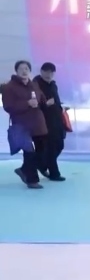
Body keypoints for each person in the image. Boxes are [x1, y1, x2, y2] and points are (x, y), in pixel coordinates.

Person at [2, 60, 48, 189]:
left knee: (42, 149)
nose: (24, 71)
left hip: (37, 122)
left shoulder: (34, 85)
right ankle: (32, 180)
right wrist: (27, 103)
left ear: (30, 71)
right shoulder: (9, 87)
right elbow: (8, 106)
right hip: (21, 123)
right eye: (21, 69)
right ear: (16, 71)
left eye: (26, 68)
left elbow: (41, 98)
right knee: (29, 151)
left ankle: (23, 169)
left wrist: (45, 103)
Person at [33, 62, 67, 182]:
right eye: (46, 72)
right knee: (51, 147)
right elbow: (34, 104)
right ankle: (54, 173)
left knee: (59, 145)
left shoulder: (53, 85)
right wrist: (46, 105)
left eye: (51, 72)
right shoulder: (36, 85)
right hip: (44, 121)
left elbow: (55, 100)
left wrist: (60, 107)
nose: (49, 74)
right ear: (41, 71)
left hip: (56, 120)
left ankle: (41, 164)